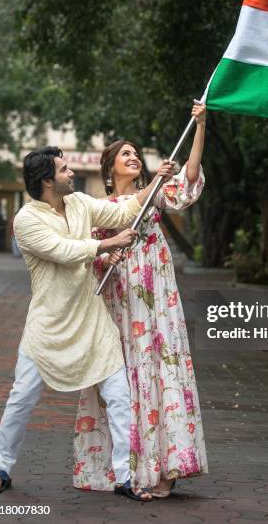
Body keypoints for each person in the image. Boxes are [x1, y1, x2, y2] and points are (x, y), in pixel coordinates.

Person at [0, 146, 176, 501]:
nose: (72, 173)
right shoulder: (27, 220)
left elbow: (129, 209)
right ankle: (1, 466)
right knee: (21, 399)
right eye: (65, 169)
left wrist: (158, 180)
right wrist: (108, 245)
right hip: (48, 327)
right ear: (47, 181)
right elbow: (62, 250)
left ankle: (123, 476)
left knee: (119, 397)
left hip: (92, 320)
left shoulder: (81, 204)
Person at [73, 102, 208, 497]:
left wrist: (200, 127)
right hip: (118, 299)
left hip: (156, 295)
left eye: (136, 153)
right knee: (122, 375)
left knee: (161, 369)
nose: (133, 157)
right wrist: (105, 255)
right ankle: (126, 470)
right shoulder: (99, 208)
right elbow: (89, 254)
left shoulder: (156, 194)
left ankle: (166, 466)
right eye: (124, 154)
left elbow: (191, 180)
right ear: (109, 169)